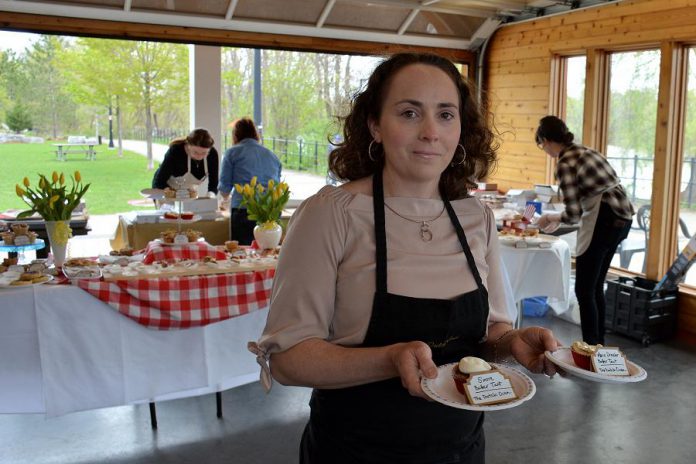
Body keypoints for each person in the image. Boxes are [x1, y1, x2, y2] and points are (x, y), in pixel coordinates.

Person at [248, 53, 560, 464]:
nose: (431, 132)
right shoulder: (333, 213)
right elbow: (288, 360)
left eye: (446, 114)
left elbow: (492, 330)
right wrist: (388, 359)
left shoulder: (476, 216)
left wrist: (511, 342)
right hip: (356, 452)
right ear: (375, 125)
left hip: (461, 450)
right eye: (410, 112)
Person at [535, 115, 634, 345]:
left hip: (604, 218)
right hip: (624, 216)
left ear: (547, 140)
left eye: (542, 145)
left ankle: (590, 347)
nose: (545, 151)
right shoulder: (586, 151)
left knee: (584, 289)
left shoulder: (565, 162)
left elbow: (573, 214)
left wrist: (551, 217)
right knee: (595, 285)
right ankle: (599, 345)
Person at [218, 117, 282, 245]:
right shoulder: (272, 155)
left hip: (243, 210)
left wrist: (224, 199)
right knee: (268, 253)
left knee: (243, 254)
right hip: (270, 211)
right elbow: (276, 185)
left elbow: (224, 190)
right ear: (255, 134)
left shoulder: (232, 153)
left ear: (235, 135)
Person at [152, 128, 219, 197]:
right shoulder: (176, 151)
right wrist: (172, 194)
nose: (199, 156)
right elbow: (159, 181)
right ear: (188, 146)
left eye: (204, 153)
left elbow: (214, 184)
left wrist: (210, 197)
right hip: (163, 188)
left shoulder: (212, 154)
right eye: (195, 152)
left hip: (187, 193)